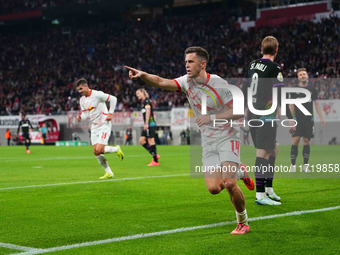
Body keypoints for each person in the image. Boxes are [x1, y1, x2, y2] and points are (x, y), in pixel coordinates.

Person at [125, 46, 254, 235]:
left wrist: (212, 118)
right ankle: (242, 172)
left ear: (202, 64)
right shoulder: (186, 82)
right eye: (185, 62)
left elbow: (238, 111)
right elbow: (161, 82)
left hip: (227, 136)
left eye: (190, 62)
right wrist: (143, 74)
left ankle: (243, 221)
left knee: (228, 183)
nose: (186, 65)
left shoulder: (218, 83)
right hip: (208, 140)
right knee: (213, 188)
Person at [242, 36, 294, 206]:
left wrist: (243, 112)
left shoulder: (251, 65)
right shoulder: (274, 68)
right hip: (265, 114)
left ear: (262, 49)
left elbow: (244, 89)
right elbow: (279, 96)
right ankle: (260, 195)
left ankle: (269, 189)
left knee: (273, 151)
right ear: (276, 50)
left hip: (252, 113)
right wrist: (291, 118)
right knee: (263, 152)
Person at [75, 78, 124, 179]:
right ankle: (109, 172)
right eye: (78, 90)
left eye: (81, 89)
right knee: (96, 151)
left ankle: (116, 149)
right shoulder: (82, 100)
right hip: (94, 126)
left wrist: (110, 113)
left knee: (100, 149)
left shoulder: (97, 94)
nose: (80, 92)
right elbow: (85, 114)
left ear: (86, 86)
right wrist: (80, 117)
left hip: (104, 124)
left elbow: (113, 99)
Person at [289, 68, 325, 172]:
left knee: (306, 141)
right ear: (298, 77)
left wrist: (321, 117)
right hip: (297, 119)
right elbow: (291, 105)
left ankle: (305, 166)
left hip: (308, 120)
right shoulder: (294, 89)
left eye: (304, 74)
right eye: (300, 75)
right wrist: (291, 119)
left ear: (307, 76)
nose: (302, 76)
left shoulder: (313, 89)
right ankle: (293, 166)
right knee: (295, 141)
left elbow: (317, 104)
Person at [136, 88, 160, 166]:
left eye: (138, 93)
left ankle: (155, 161)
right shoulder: (143, 102)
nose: (137, 96)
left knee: (151, 141)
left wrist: (146, 123)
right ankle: (154, 155)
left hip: (150, 124)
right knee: (142, 141)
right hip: (148, 124)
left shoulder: (146, 101)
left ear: (143, 93)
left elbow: (148, 111)